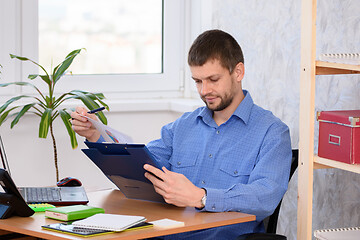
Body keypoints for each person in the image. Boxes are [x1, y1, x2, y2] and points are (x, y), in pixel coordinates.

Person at [71, 29, 292, 239]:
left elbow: (265, 196)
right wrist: (96, 134)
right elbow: (144, 166)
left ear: (238, 72)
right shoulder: (183, 126)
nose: (204, 91)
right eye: (198, 81)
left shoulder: (272, 132)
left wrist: (202, 197)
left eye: (213, 80)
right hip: (164, 231)